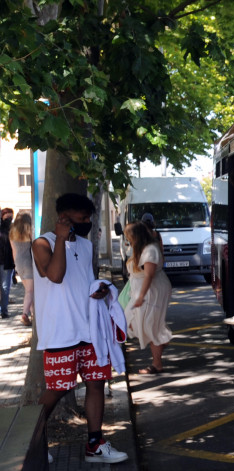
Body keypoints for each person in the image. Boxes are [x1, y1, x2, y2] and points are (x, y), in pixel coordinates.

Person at [31, 193, 129, 464]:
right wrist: (61, 238)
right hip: (60, 332)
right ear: (63, 218)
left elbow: (83, 280)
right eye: (82, 218)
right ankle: (32, 441)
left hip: (90, 330)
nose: (88, 222)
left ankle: (95, 445)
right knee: (57, 389)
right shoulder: (42, 243)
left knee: (96, 383)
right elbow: (55, 275)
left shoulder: (86, 246)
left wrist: (99, 289)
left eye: (89, 218)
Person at [123, 222, 173, 374]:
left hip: (151, 292)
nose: (127, 239)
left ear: (136, 236)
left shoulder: (150, 250)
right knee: (133, 322)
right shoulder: (141, 249)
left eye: (129, 236)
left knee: (150, 325)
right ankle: (162, 341)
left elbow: (149, 275)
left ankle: (157, 363)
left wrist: (141, 297)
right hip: (143, 291)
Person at [10, 212, 35, 326]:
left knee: (29, 291)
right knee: (30, 291)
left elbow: (14, 251)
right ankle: (25, 314)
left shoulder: (12, 233)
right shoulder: (30, 232)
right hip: (29, 263)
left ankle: (33, 315)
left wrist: (16, 266)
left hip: (19, 263)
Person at [0, 208, 14, 319]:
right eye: (7, 217)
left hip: (7, 262)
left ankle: (4, 311)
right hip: (4, 261)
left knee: (5, 288)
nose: (9, 219)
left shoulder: (12, 229)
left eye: (11, 217)